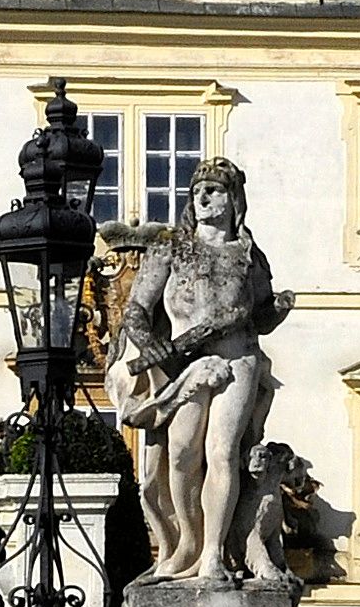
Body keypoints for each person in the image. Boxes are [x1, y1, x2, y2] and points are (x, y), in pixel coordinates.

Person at [117, 154, 293, 581]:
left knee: (221, 452)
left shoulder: (248, 255)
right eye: (196, 192)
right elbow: (136, 310)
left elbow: (260, 315)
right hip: (185, 363)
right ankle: (184, 546)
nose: (202, 198)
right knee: (181, 452)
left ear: (233, 199)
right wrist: (152, 346)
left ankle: (213, 554)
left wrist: (280, 307)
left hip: (237, 359)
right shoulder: (171, 247)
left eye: (213, 190)